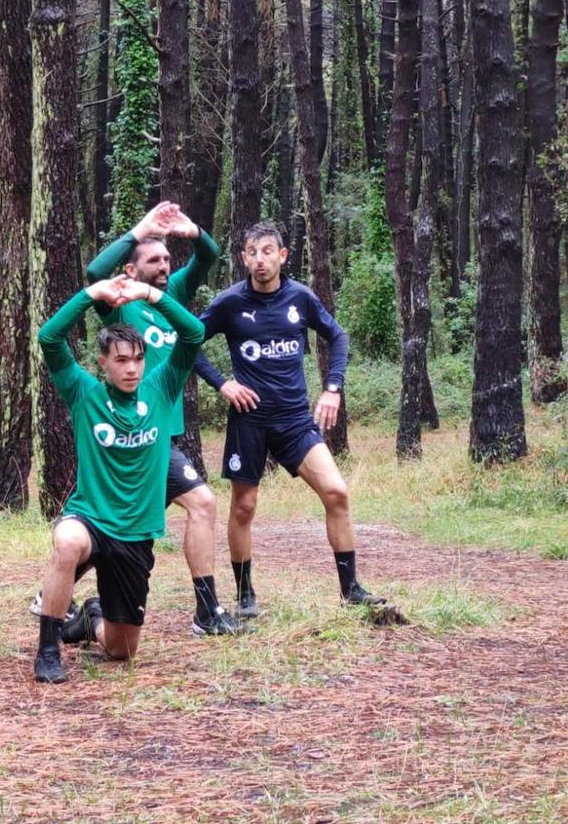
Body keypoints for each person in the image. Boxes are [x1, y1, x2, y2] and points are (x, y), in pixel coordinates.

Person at [194, 221, 385, 618]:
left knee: (336, 492)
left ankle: (350, 590)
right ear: (243, 258)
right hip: (249, 420)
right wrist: (222, 384)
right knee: (244, 507)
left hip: (295, 420)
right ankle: (246, 594)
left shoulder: (301, 298)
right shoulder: (229, 303)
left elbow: (338, 336)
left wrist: (333, 387)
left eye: (268, 251)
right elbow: (188, 341)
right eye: (252, 252)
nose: (260, 260)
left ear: (282, 256)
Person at [33, 272, 204, 684]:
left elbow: (194, 333)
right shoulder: (84, 393)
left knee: (121, 650)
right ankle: (48, 650)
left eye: (137, 359)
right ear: (103, 363)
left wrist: (148, 293)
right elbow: (50, 338)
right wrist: (93, 292)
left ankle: (92, 619)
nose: (131, 369)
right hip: (91, 518)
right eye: (121, 360)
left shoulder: (161, 388)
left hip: (136, 532)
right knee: (67, 543)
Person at [84, 201, 239, 636]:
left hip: (161, 438)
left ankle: (206, 611)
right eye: (155, 260)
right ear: (132, 271)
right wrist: (141, 230)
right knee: (111, 523)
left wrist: (191, 231)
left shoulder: (174, 298)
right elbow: (95, 273)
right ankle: (60, 590)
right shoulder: (121, 305)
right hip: (124, 438)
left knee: (199, 504)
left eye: (169, 259)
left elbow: (210, 256)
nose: (166, 266)